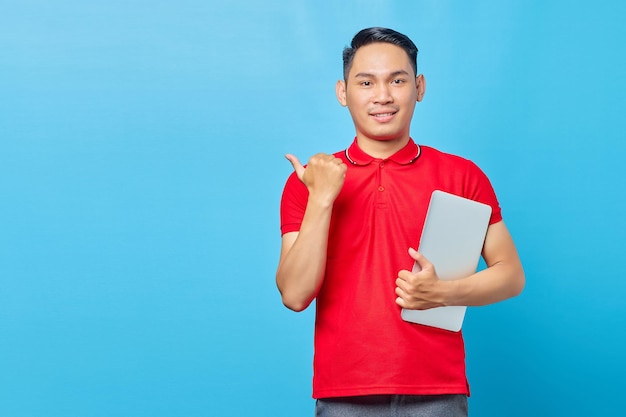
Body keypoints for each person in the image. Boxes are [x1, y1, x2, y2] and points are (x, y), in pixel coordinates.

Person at [276, 27, 525, 417]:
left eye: (397, 80)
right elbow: (294, 295)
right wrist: (322, 198)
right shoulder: (309, 181)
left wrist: (443, 293)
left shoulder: (462, 176)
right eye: (366, 82)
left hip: (438, 392)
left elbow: (510, 275)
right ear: (343, 92)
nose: (383, 96)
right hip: (344, 393)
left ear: (419, 86)